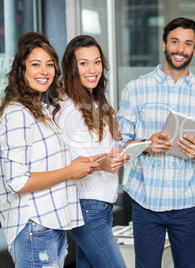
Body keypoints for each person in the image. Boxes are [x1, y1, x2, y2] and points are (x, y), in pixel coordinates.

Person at [116, 17, 195, 267]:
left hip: (189, 203)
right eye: (175, 41)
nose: (180, 49)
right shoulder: (135, 89)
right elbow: (120, 144)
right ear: (164, 44)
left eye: (187, 44)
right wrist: (146, 145)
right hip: (145, 201)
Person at [0, 32, 103, 267]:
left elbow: (49, 162)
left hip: (50, 223)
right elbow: (18, 181)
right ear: (21, 70)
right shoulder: (16, 114)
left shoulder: (40, 110)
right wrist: (70, 171)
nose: (44, 71)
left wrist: (81, 164)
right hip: (35, 226)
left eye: (49, 65)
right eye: (36, 64)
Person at [53, 35, 129, 268]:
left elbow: (111, 143)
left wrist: (133, 148)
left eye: (96, 62)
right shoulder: (66, 107)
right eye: (83, 63)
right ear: (71, 67)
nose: (92, 69)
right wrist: (102, 164)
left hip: (103, 203)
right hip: (86, 206)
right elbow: (63, 160)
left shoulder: (99, 98)